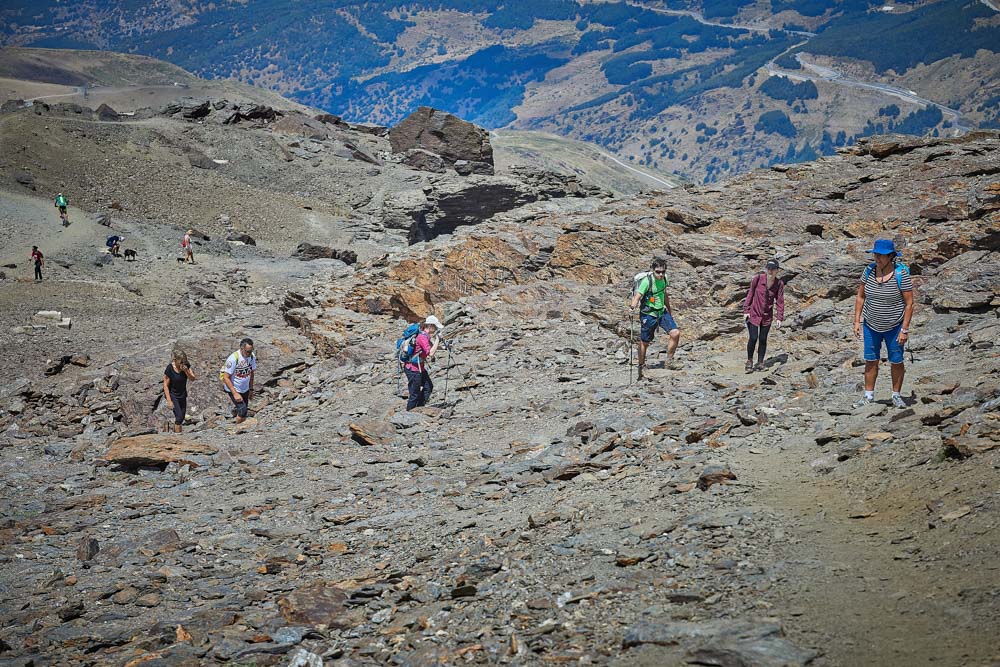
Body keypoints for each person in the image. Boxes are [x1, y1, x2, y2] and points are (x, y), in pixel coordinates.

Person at [853, 239, 914, 409]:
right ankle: (868, 396)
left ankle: (896, 395)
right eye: (876, 254)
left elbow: (909, 303)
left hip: (895, 326)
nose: (877, 258)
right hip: (871, 324)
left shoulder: (901, 274)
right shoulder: (869, 271)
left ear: (891, 257)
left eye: (882, 255)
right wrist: (857, 321)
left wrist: (904, 329)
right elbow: (860, 297)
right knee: (871, 360)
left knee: (896, 360)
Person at [629, 258, 681, 379]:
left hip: (661, 312)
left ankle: (669, 361)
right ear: (652, 270)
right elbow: (637, 297)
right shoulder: (647, 282)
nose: (661, 274)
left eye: (663, 271)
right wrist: (632, 308)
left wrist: (669, 308)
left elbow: (664, 293)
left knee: (675, 333)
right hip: (648, 314)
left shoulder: (665, 279)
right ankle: (641, 366)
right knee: (645, 342)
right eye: (658, 272)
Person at [743, 259, 785, 373]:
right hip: (754, 313)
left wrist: (779, 317)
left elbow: (780, 301)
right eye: (769, 268)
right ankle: (749, 361)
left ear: (777, 270)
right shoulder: (757, 279)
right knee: (753, 337)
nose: (770, 271)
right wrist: (746, 310)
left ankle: (760, 363)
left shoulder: (779, 284)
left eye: (773, 269)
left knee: (762, 339)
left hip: (767, 315)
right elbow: (750, 294)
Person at [404, 315, 442, 410]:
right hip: (413, 369)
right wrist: (438, 339)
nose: (436, 329)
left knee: (428, 387)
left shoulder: (425, 336)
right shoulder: (422, 337)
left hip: (419, 367)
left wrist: (444, 346)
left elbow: (430, 348)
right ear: (429, 326)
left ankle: (419, 409)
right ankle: (409, 414)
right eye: (435, 327)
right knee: (415, 393)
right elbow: (430, 353)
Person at [220, 338, 256, 423]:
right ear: (241, 348)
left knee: (244, 411)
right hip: (234, 388)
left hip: (245, 388)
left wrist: (251, 389)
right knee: (242, 410)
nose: (249, 353)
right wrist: (235, 393)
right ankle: (237, 430)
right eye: (247, 351)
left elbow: (252, 373)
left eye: (251, 351)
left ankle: (242, 430)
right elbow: (226, 377)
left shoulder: (251, 356)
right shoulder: (233, 359)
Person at [163, 350, 196, 433]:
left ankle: (176, 432)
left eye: (184, 360)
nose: (182, 363)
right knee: (179, 417)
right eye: (181, 361)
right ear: (175, 360)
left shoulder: (186, 366)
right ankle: (177, 435)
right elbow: (165, 385)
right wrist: (169, 401)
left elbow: (192, 378)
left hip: (182, 394)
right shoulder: (170, 368)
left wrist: (186, 371)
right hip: (173, 394)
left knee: (182, 417)